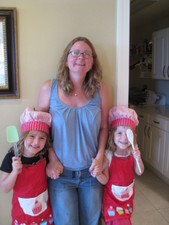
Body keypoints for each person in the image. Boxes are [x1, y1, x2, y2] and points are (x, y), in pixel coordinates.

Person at [37, 36, 109, 225]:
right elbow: (40, 130)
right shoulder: (49, 88)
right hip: (61, 175)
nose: (80, 57)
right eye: (75, 52)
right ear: (66, 58)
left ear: (92, 62)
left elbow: (103, 128)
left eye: (87, 53)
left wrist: (101, 157)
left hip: (92, 174)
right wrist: (51, 159)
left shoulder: (101, 90)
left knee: (91, 222)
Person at [0, 107, 54, 225]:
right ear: (23, 136)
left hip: (44, 213)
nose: (36, 142)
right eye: (32, 136)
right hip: (22, 215)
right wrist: (14, 172)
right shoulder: (11, 158)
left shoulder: (44, 155)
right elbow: (4, 188)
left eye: (42, 138)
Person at [95, 106, 144, 225]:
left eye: (128, 134)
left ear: (134, 137)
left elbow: (139, 172)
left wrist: (138, 158)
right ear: (113, 135)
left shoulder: (133, 152)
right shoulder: (109, 155)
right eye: (120, 133)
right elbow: (105, 180)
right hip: (111, 200)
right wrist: (98, 174)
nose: (124, 138)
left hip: (126, 199)